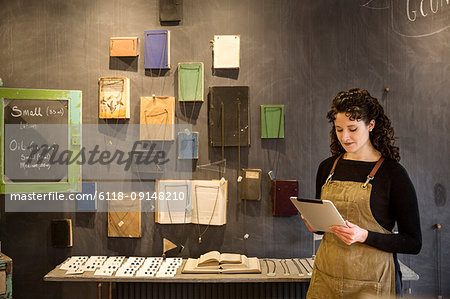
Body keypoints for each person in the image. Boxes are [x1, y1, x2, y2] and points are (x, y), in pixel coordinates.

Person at [303, 88, 422, 298]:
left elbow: (413, 242)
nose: (345, 137)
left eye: (352, 128)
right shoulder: (327, 168)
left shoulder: (393, 174)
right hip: (326, 279)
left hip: (372, 285)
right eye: (339, 129)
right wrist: (315, 225)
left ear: (371, 125)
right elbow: (323, 230)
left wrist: (364, 236)